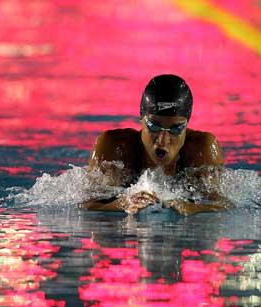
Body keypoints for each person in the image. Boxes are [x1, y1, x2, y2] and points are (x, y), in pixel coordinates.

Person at [81, 74, 233, 215]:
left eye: (176, 129)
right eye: (154, 126)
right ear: (141, 119)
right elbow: (86, 204)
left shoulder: (201, 150)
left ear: (187, 126)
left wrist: (193, 208)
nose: (162, 140)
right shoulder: (115, 148)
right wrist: (122, 204)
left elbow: (224, 205)